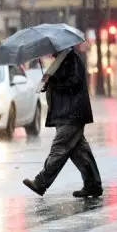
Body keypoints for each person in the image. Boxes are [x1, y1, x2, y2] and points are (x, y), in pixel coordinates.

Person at [22, 47, 102, 198]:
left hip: (72, 113)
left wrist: (54, 81)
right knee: (80, 152)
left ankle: (41, 183)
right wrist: (49, 83)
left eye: (53, 49)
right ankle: (93, 185)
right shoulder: (63, 60)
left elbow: (74, 83)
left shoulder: (72, 59)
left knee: (60, 148)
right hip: (66, 113)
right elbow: (61, 84)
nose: (51, 52)